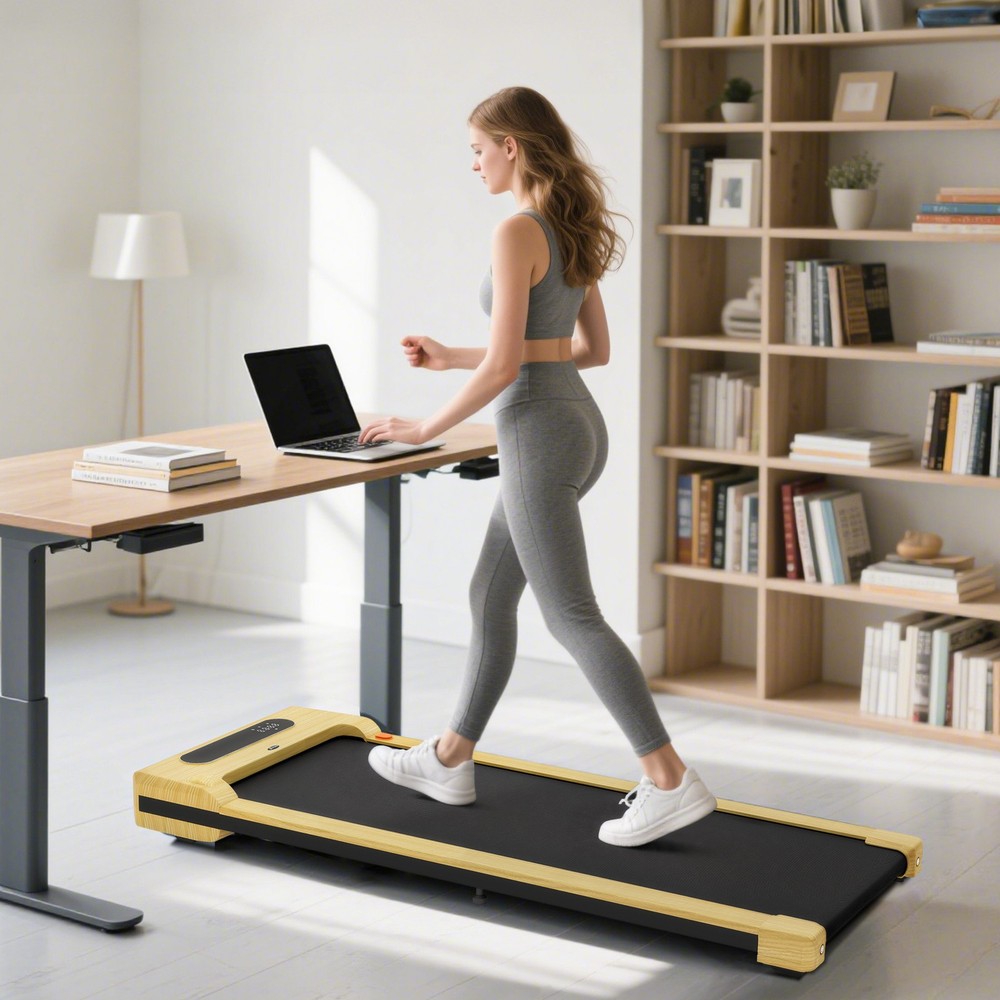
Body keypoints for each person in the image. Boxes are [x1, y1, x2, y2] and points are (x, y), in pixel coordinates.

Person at [361, 87, 715, 847]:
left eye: (478, 150)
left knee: (570, 613)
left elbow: (502, 373)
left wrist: (423, 427)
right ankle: (450, 759)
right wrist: (454, 356)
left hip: (535, 433)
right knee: (490, 594)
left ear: (511, 146)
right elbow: (587, 351)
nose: (474, 164)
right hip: (576, 425)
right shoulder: (569, 225)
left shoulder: (517, 229)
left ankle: (670, 780)